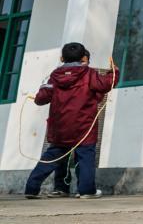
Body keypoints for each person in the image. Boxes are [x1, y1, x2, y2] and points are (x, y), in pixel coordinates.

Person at [24, 43, 117, 200]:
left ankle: (31, 189)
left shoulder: (54, 76)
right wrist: (114, 71)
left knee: (51, 157)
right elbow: (106, 84)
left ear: (62, 58)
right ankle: (87, 191)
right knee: (85, 157)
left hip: (60, 126)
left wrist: (40, 94)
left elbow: (41, 99)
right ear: (83, 58)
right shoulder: (89, 73)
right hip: (84, 126)